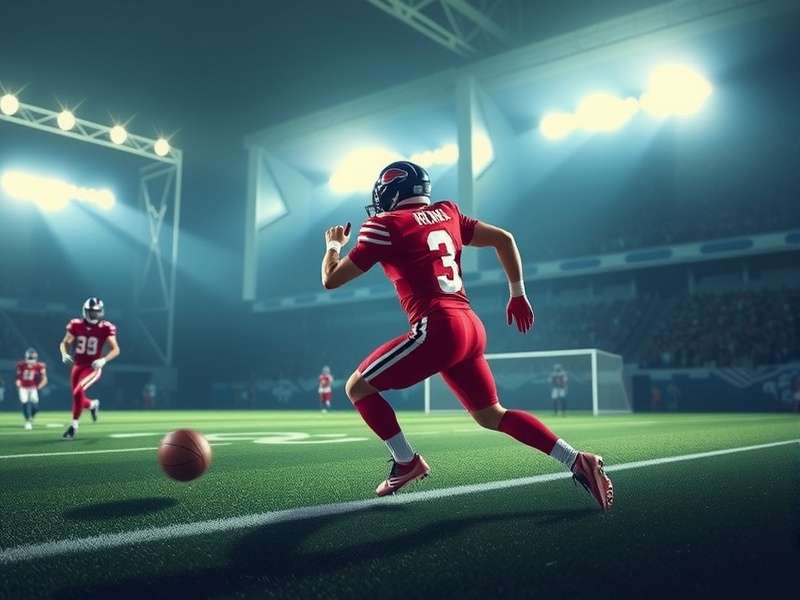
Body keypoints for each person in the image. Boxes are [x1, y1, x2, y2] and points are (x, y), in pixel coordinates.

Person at [320, 161, 613, 510]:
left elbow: (331, 279)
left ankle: (406, 461)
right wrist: (517, 293)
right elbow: (504, 239)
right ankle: (576, 459)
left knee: (358, 387)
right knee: (492, 415)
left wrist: (334, 245)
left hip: (438, 327)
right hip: (470, 326)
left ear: (391, 193)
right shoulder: (448, 212)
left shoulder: (383, 225)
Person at [58, 297, 120, 439]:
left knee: (77, 391)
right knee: (77, 395)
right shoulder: (75, 324)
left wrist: (103, 360)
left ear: (101, 312)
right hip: (78, 365)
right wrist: (63, 353)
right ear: (85, 311)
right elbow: (65, 342)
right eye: (92, 312)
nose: (94, 315)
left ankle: (73, 426)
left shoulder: (106, 327)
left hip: (93, 366)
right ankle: (92, 405)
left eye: (97, 312)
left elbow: (116, 349)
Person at [16, 348, 47, 430]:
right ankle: (27, 421)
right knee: (25, 403)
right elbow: (18, 377)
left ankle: (31, 418)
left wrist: (40, 385)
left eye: (32, 358)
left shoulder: (39, 366)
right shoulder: (21, 365)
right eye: (30, 358)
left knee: (36, 407)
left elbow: (44, 378)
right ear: (26, 357)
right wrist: (18, 382)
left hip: (33, 388)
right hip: (23, 387)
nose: (31, 360)